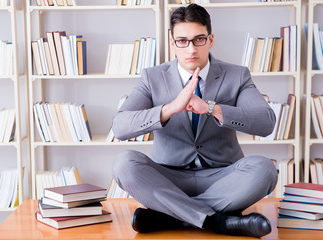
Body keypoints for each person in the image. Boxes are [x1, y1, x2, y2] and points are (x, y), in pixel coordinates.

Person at [111, 3, 278, 238]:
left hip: (223, 177)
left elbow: (266, 122)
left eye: (198, 39)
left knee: (265, 169)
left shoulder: (237, 75)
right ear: (172, 43)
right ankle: (217, 221)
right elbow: (120, 126)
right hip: (169, 178)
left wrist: (212, 108)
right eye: (182, 41)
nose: (191, 49)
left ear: (211, 40)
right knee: (123, 163)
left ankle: (170, 216)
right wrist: (169, 109)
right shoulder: (152, 77)